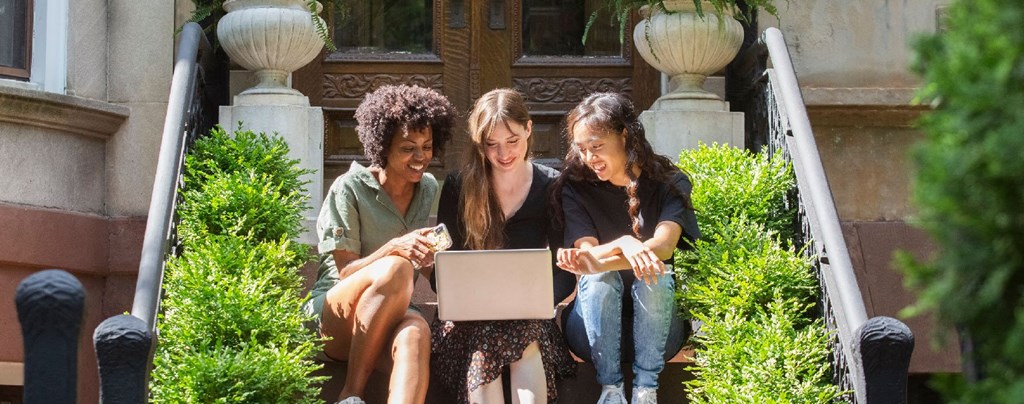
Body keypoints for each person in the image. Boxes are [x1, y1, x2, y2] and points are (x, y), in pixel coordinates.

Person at [303, 84, 457, 404]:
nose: (420, 158)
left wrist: (428, 264)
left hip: (394, 308)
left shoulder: (427, 187)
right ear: (382, 146)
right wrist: (394, 248)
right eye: (408, 148)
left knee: (416, 334)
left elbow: (421, 270)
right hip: (335, 314)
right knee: (397, 266)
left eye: (427, 146)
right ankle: (351, 395)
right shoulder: (350, 188)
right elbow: (345, 272)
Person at [428, 88, 576, 404]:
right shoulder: (458, 186)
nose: (504, 154)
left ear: (529, 129)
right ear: (479, 144)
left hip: (530, 317)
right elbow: (442, 270)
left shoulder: (550, 185)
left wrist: (539, 301)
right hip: (469, 320)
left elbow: (563, 269)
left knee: (526, 338)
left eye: (513, 141)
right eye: (491, 145)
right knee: (484, 340)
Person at [553, 92, 700, 404]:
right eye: (582, 149)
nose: (589, 157)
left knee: (656, 275)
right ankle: (611, 391)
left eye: (596, 147)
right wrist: (625, 243)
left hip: (660, 331)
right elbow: (588, 258)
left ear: (624, 136)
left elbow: (663, 246)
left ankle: (646, 390)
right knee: (599, 280)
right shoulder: (575, 187)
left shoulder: (670, 182)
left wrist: (601, 260)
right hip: (592, 329)